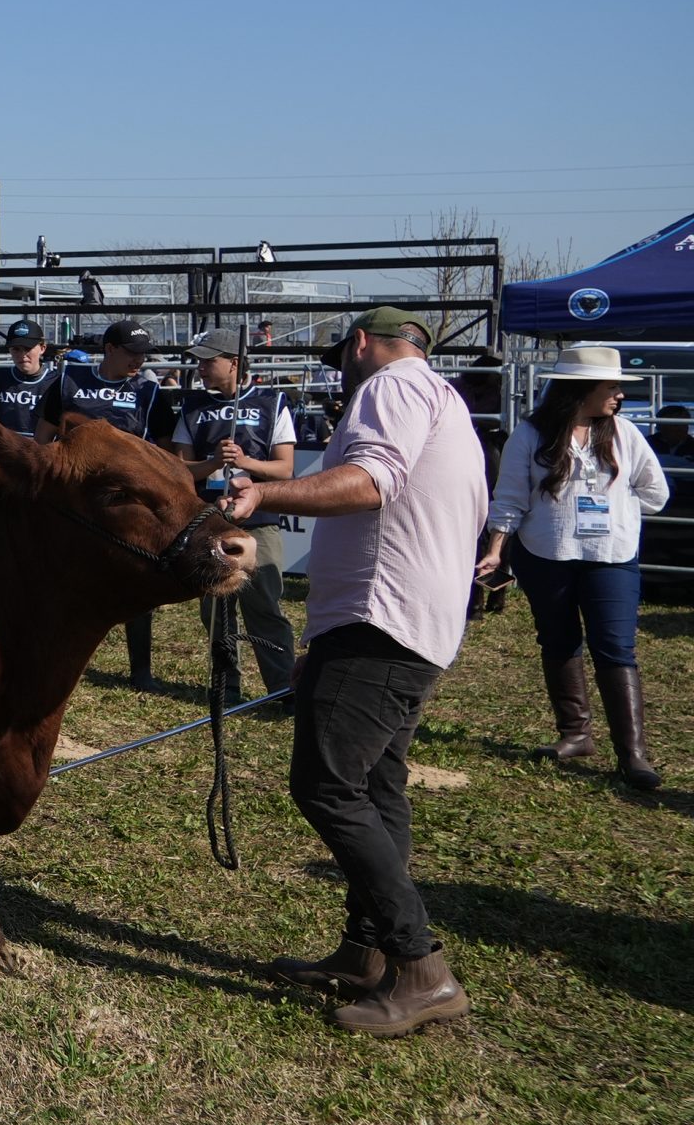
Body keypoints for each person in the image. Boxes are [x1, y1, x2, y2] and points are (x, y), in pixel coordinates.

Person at [225, 307, 487, 1036]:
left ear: (363, 344)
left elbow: (372, 482)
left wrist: (262, 493)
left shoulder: (390, 387)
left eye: (344, 353)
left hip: (382, 620)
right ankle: (367, 951)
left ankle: (421, 966)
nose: (342, 365)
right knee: (376, 785)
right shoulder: (446, 400)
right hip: (409, 623)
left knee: (326, 784)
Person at [477, 346, 671, 788]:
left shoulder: (625, 434)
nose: (619, 395)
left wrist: (618, 506)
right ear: (581, 389)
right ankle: (576, 734)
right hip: (547, 553)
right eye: (612, 387)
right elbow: (508, 498)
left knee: (616, 647)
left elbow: (655, 493)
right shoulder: (530, 435)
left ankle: (633, 754)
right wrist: (496, 549)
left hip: (612, 556)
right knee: (558, 640)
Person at [37, 318, 166, 689]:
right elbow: (43, 436)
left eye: (144, 355)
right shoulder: (67, 382)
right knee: (62, 579)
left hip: (126, 503)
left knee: (137, 579)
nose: (139, 361)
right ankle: (50, 657)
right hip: (74, 500)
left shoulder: (149, 391)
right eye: (132, 353)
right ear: (110, 349)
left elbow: (165, 447)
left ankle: (141, 670)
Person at [174, 327, 299, 702]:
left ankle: (283, 689)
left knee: (265, 608)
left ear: (234, 362)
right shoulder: (192, 407)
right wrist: (212, 462)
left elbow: (286, 470)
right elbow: (180, 469)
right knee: (215, 612)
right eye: (198, 360)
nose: (201, 367)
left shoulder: (272, 402)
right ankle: (227, 686)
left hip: (259, 524)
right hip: (210, 523)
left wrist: (245, 462)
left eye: (209, 360)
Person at [0, 320, 55, 468]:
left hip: (42, 466)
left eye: (28, 348)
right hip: (2, 466)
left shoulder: (56, 383)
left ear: (42, 348)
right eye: (16, 349)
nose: (22, 354)